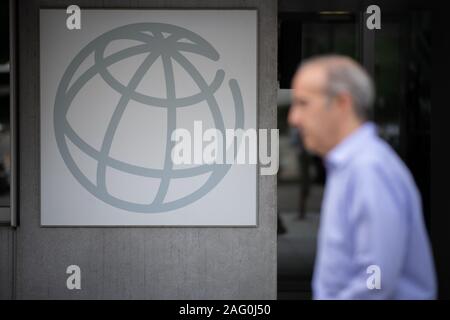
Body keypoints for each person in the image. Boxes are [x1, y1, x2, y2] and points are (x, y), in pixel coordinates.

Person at [288, 55, 436, 299]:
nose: (294, 118)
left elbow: (375, 282)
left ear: (341, 103)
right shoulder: (350, 166)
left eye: (303, 103)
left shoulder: (369, 169)